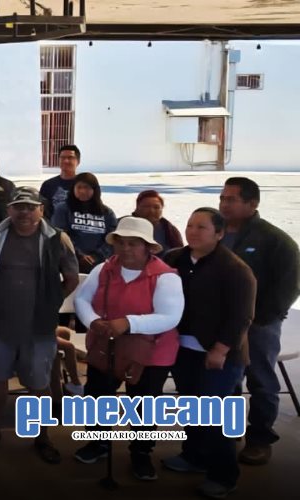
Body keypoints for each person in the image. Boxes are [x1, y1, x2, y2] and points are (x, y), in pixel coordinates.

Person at [73, 216, 184, 481]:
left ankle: (141, 452)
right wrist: (93, 321)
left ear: (149, 247)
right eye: (120, 242)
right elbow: (82, 299)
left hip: (151, 350)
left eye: (133, 243)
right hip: (107, 345)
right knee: (97, 394)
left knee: (144, 402)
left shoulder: (166, 277)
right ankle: (98, 442)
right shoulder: (103, 269)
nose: (125, 249)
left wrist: (128, 323)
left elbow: (170, 316)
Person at [0, 186, 79, 463]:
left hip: (39, 327)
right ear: (9, 209)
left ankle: (42, 436)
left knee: (39, 384)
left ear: (41, 210)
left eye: (30, 206)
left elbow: (71, 277)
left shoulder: (58, 239)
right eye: (18, 206)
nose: (24, 212)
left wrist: (50, 303)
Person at [162, 207, 257, 499]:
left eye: (201, 227)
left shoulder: (235, 269)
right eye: (190, 225)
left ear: (219, 233)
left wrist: (220, 349)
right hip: (184, 351)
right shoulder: (174, 258)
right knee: (192, 408)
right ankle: (194, 457)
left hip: (220, 355)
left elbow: (242, 316)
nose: (192, 231)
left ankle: (224, 476)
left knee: (215, 415)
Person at [218, 177, 300, 465]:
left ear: (252, 204)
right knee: (227, 381)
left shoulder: (274, 239)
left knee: (261, 381)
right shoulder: (217, 232)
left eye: (231, 199)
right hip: (222, 323)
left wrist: (264, 317)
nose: (224, 204)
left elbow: (290, 283)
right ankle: (227, 435)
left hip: (258, 326)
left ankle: (260, 440)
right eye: (222, 197)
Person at [52, 172, 118, 273]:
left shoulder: (107, 213)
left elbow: (112, 238)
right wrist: (78, 255)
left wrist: (97, 256)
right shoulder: (63, 210)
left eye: (87, 187)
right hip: (69, 265)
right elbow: (59, 235)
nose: (83, 191)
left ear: (95, 190)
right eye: (79, 187)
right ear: (73, 189)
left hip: (99, 266)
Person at [132, 190, 183, 257]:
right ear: (137, 207)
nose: (151, 211)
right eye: (146, 207)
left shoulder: (170, 231)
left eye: (156, 207)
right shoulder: (123, 226)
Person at [41, 144, 80, 219]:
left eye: (70, 157)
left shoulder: (85, 184)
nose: (66, 161)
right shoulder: (48, 185)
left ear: (78, 161)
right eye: (62, 157)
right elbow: (42, 210)